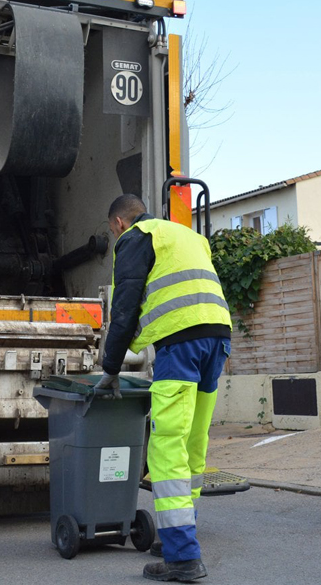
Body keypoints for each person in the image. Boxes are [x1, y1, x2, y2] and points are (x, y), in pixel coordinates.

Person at [94, 194, 232, 582]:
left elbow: (125, 307)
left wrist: (111, 367)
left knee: (167, 445)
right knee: (193, 441)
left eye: (113, 231)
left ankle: (183, 557)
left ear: (119, 223)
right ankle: (178, 534)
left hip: (181, 343)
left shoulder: (136, 238)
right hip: (218, 338)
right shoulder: (186, 235)